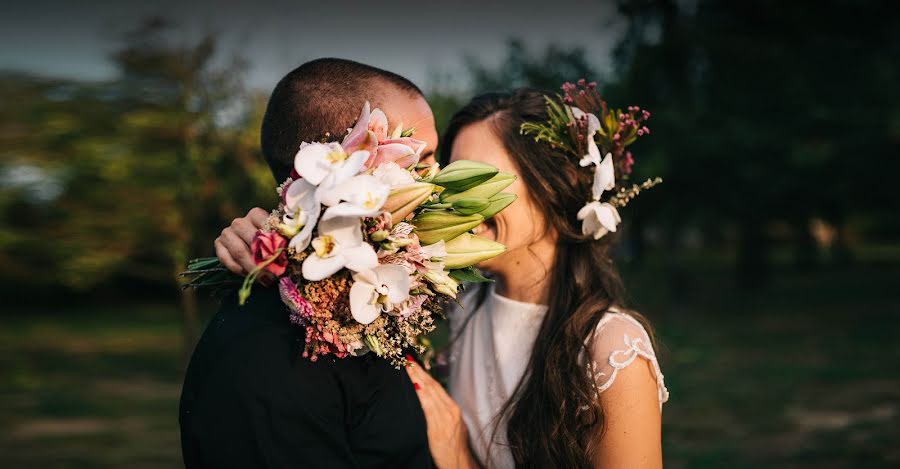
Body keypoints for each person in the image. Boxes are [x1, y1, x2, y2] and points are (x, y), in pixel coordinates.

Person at [217, 88, 668, 468]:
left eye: (481, 178)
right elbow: (340, 249)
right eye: (450, 177)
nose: (452, 199)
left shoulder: (611, 352)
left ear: (558, 184)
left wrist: (459, 458)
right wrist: (266, 235)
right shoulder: (459, 304)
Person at [179, 58, 439, 469]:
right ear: (347, 162)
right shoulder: (267, 358)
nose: (436, 182)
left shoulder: (362, 303)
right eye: (420, 163)